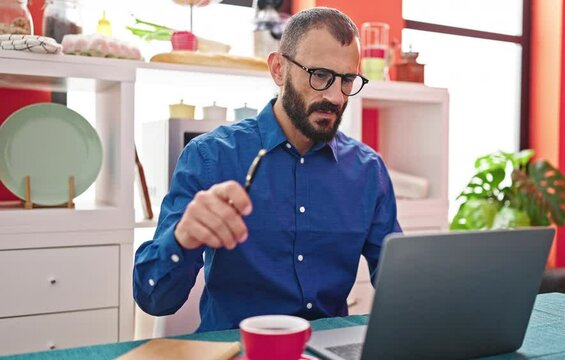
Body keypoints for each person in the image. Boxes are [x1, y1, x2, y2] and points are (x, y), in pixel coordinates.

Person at [133, 7, 401, 332]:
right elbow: (153, 299)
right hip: (236, 350)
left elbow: (402, 285)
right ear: (278, 69)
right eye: (320, 75)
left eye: (347, 80)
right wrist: (182, 237)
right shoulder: (210, 157)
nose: (334, 96)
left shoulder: (367, 171)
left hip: (326, 351)